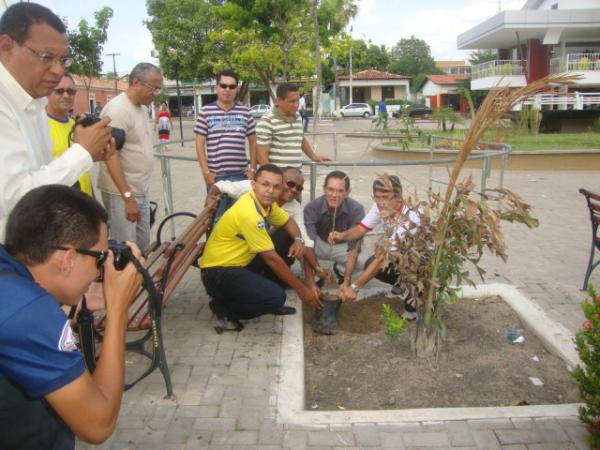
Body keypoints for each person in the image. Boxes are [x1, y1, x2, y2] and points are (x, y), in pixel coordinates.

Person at [0, 184, 142, 448]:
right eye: (99, 258)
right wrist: (118, 311)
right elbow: (98, 424)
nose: (99, 272)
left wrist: (66, 308)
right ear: (68, 259)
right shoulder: (29, 314)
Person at [0, 2, 115, 242]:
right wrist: (81, 153)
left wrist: (88, 153)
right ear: (6, 47)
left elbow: (40, 175)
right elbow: (16, 201)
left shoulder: (36, 103)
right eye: (46, 57)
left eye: (63, 60)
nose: (57, 70)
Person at [201, 164, 322, 333]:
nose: (270, 191)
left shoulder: (266, 204)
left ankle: (262, 294)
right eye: (265, 184)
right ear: (253, 184)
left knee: (285, 237)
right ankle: (224, 309)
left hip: (238, 262)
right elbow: (271, 259)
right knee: (275, 297)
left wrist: (298, 239)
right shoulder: (250, 213)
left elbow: (288, 222)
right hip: (218, 272)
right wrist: (302, 290)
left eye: (276, 186)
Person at [209, 166, 332, 286]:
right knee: (275, 296)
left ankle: (270, 280)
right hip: (240, 253)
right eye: (290, 184)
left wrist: (317, 271)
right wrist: (210, 196)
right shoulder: (254, 187)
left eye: (299, 188)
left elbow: (305, 241)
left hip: (263, 249)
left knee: (291, 235)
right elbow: (221, 185)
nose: (294, 190)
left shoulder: (293, 207)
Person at [330, 174, 421, 320]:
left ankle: (415, 295)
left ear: (398, 196)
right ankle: (402, 284)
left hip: (422, 263)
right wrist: (342, 236)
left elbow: (382, 259)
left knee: (412, 309)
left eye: (385, 197)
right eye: (377, 197)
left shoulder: (409, 220)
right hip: (402, 257)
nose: (380, 202)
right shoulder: (379, 206)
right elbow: (360, 229)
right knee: (372, 265)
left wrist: (354, 287)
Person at [98, 62, 162, 252]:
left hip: (139, 190)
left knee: (142, 243)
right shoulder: (117, 111)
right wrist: (127, 198)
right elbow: (111, 156)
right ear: (136, 82)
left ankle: (138, 280)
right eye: (154, 88)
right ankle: (126, 281)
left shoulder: (142, 108)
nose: (156, 93)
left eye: (159, 89)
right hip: (122, 193)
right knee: (125, 249)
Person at [194, 69, 258, 221]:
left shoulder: (245, 112)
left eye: (232, 86)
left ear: (236, 89)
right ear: (216, 87)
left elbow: (253, 141)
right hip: (217, 177)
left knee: (241, 219)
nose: (227, 90)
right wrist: (205, 172)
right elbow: (199, 142)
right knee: (215, 218)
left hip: (240, 177)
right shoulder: (205, 112)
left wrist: (253, 169)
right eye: (223, 85)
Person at [303, 170, 370, 288]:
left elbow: (353, 247)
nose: (335, 195)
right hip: (320, 242)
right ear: (324, 189)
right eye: (331, 189)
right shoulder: (312, 207)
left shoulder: (356, 209)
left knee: (364, 260)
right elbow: (309, 243)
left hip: (343, 246)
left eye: (340, 191)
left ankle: (341, 271)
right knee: (300, 249)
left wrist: (347, 281)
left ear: (348, 192)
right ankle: (317, 275)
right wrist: (317, 269)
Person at [257, 82, 330, 170]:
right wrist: (272, 178)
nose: (296, 105)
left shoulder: (298, 116)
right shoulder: (267, 120)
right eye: (292, 101)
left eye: (297, 100)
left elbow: (301, 139)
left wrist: (314, 157)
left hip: (296, 176)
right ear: (279, 100)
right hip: (279, 178)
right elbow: (261, 155)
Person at [46, 73, 94, 197]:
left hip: (84, 202)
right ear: (48, 93)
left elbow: (84, 171)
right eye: (60, 91)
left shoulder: (76, 126)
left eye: (71, 91)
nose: (66, 95)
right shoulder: (40, 127)